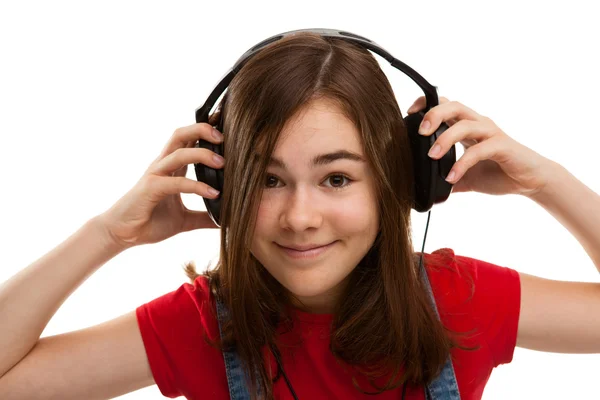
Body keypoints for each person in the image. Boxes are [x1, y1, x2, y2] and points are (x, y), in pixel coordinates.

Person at [0, 32, 599, 400]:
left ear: (400, 179)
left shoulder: (459, 299)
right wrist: (108, 233)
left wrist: (546, 183)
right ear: (220, 188)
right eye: (266, 180)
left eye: (336, 178)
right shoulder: (202, 326)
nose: (299, 217)